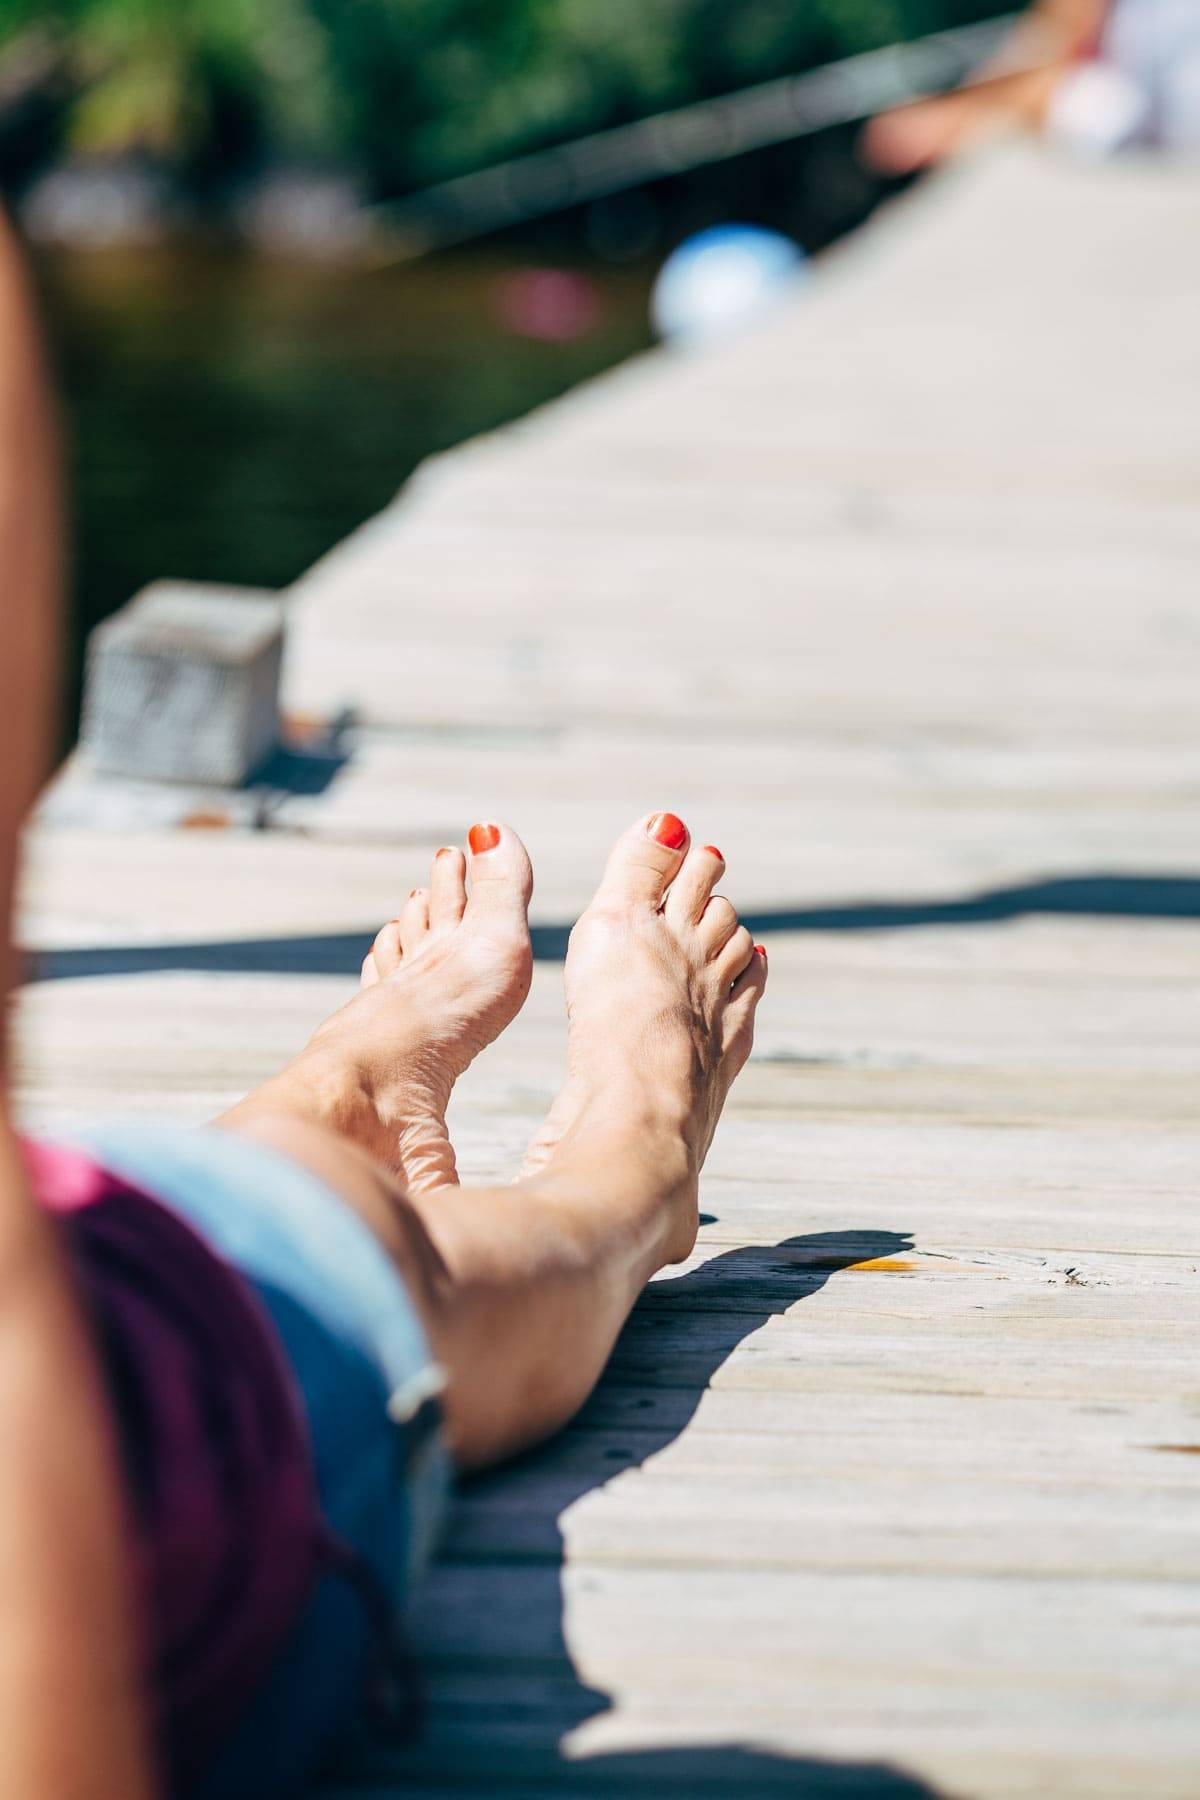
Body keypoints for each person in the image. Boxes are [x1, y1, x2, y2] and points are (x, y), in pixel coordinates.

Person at [0, 205, 768, 1798]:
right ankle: (626, 1170)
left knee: (200, 1231)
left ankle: (340, 1089)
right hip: (142, 1434)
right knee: (338, 1250)